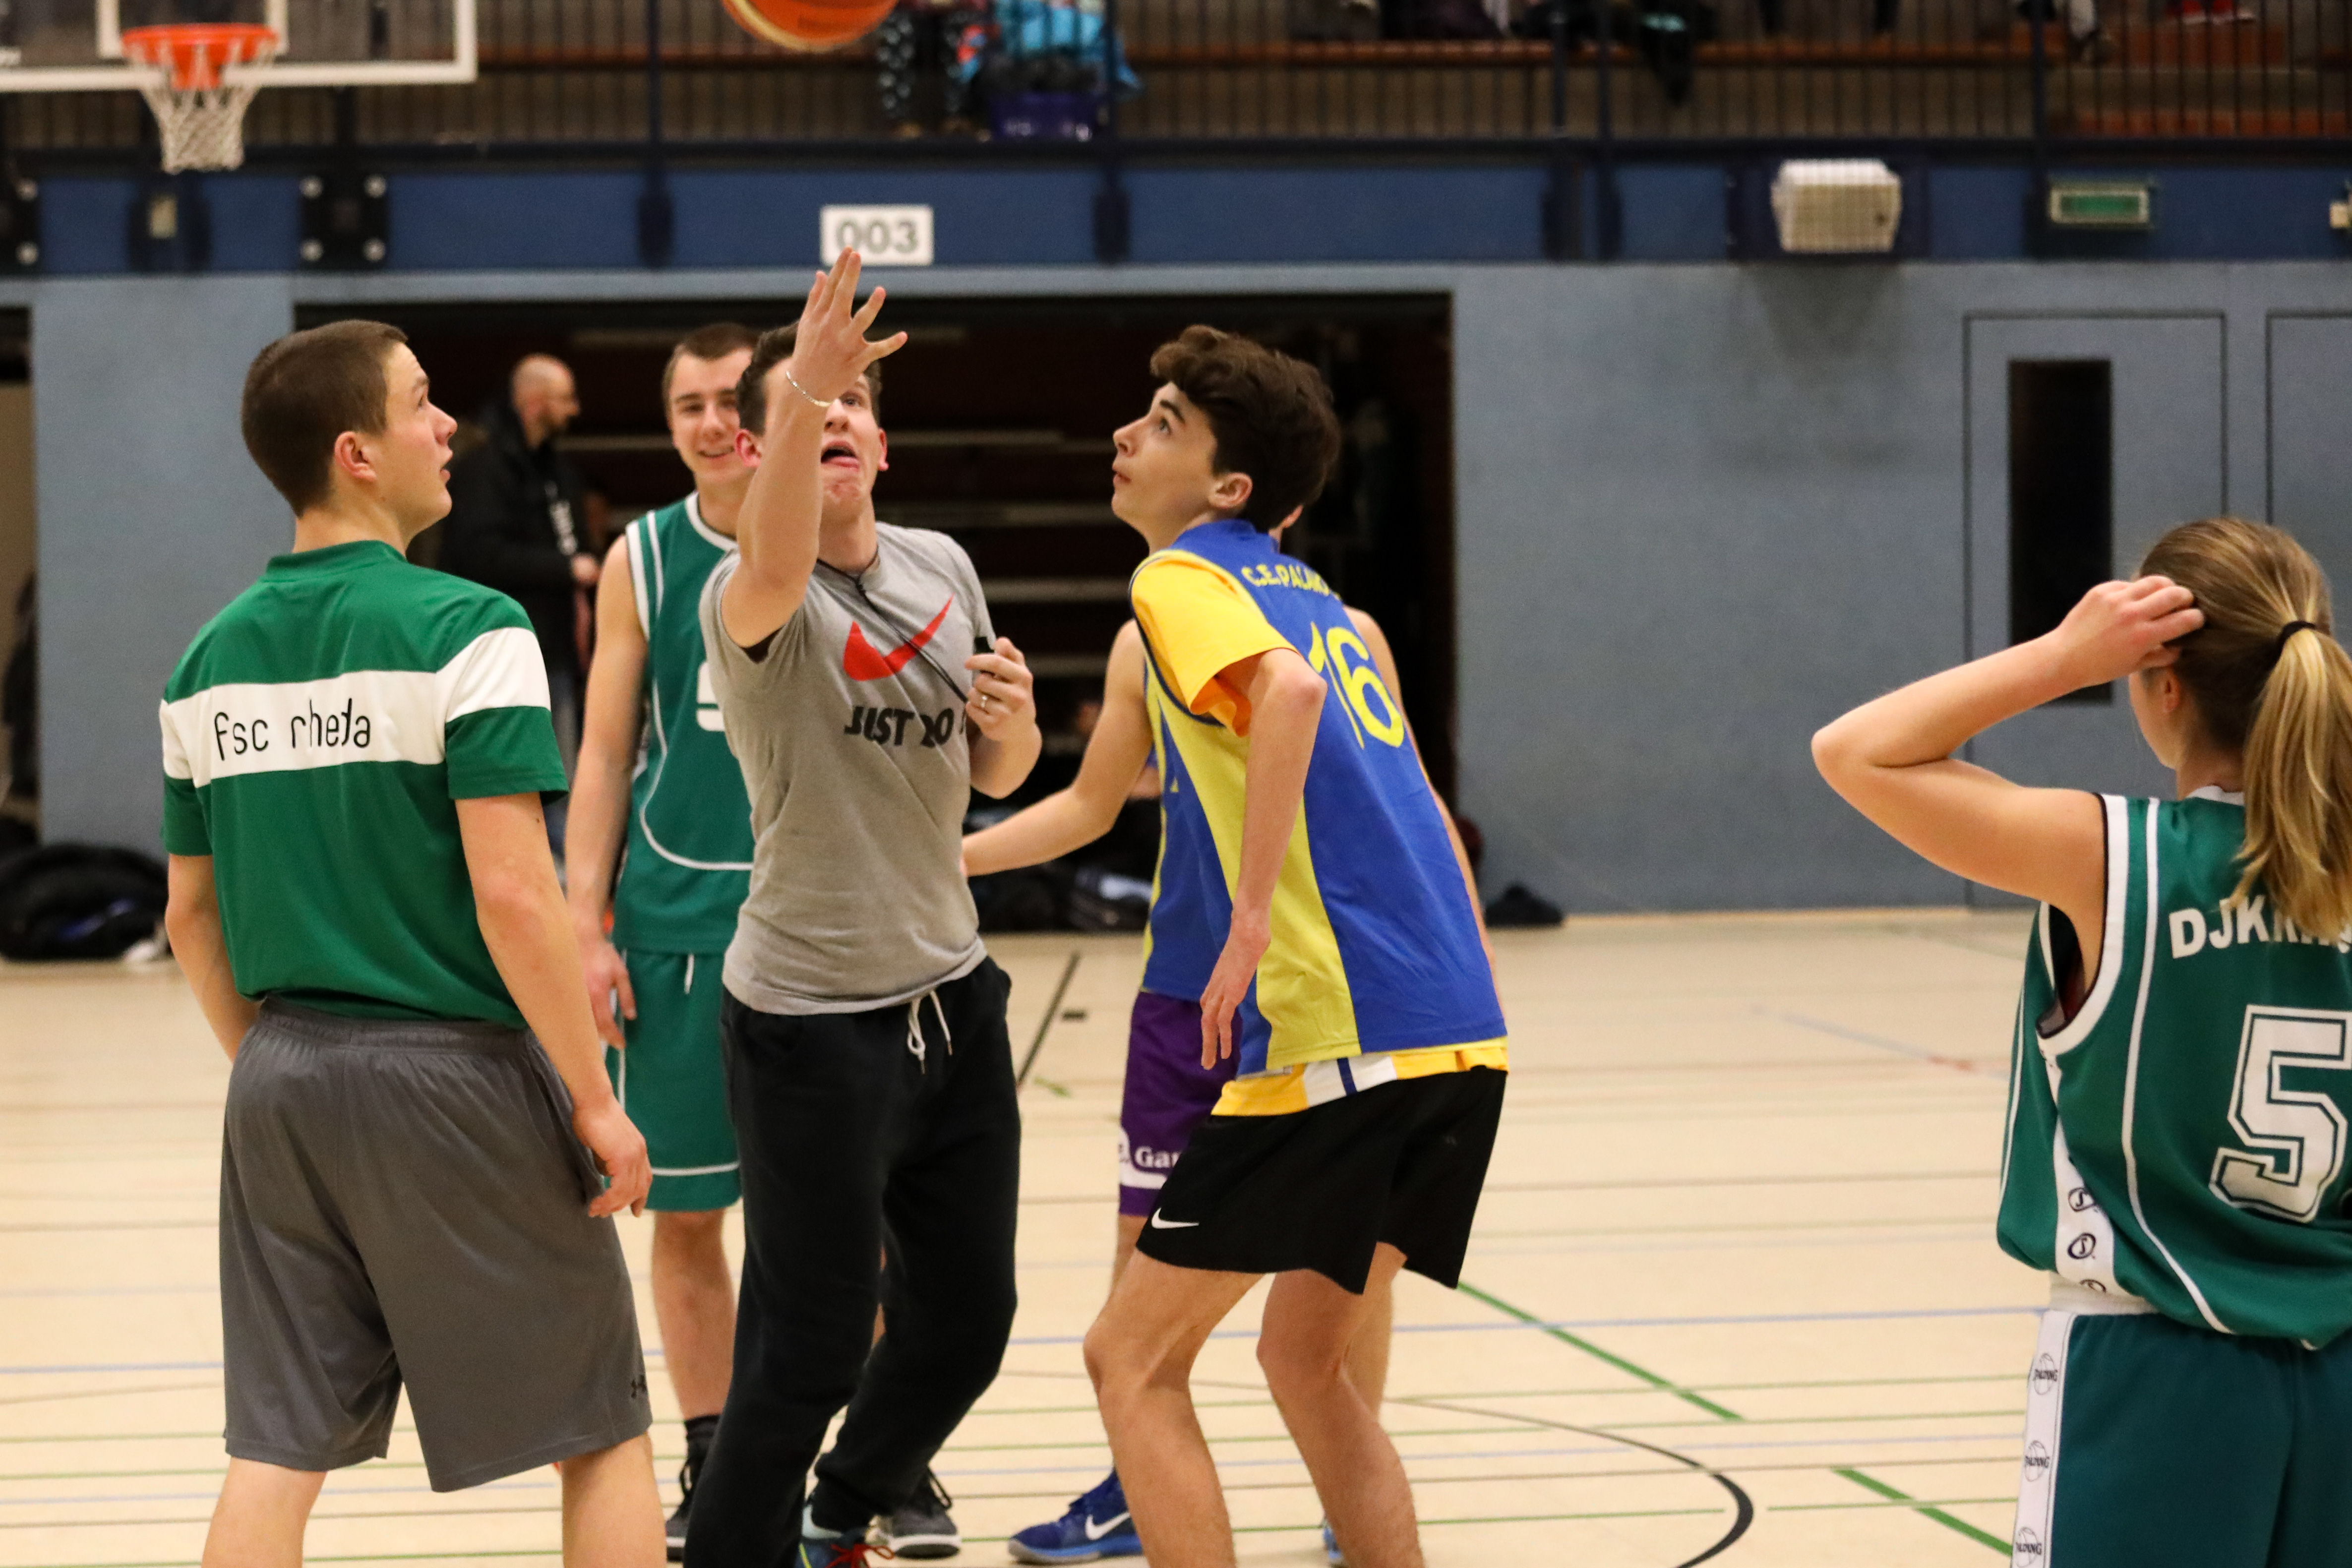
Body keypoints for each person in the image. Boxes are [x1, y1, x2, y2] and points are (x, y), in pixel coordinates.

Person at [158, 320, 663, 1568]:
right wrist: (595, 1099)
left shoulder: (204, 661)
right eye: (423, 404)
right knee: (601, 1431)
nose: (448, 428)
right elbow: (514, 892)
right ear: (356, 453)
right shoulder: (470, 626)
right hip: (454, 1076)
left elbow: (190, 915)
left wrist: (267, 1062)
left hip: (280, 1080)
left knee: (278, 1448)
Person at [1813, 517, 2352, 1568]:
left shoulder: (2110, 857)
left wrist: (2061, 658)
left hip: (2153, 1368)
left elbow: (1854, 750)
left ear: (2162, 685)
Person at [1078, 327, 1507, 1568]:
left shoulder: (1178, 579)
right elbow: (1422, 807)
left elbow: (1290, 699)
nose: (1126, 434)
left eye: (1163, 422)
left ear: (1227, 488)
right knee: (1306, 1362)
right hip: (1457, 1033)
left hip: (1337, 1031)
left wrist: (1250, 918)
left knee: (1128, 1357)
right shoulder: (1317, 600)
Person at [969, 587, 1483, 1565]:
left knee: (1343, 1262)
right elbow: (1089, 804)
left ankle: (1343, 1483)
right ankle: (1133, 1486)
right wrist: (949, 860)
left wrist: (1469, 946)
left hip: (1313, 986)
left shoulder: (1346, 632)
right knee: (1141, 1251)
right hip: (1185, 987)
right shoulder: (1148, 634)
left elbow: (1413, 801)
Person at [686, 251, 1039, 1568]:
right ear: (765, 448)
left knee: (967, 1322)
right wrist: (800, 391)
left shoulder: (942, 564)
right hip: (809, 1020)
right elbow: (777, 552)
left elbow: (991, 775)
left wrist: (1016, 726)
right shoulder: (748, 590)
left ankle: (848, 1503)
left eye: (851, 408)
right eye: (806, 409)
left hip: (950, 997)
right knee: (808, 1345)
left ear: (883, 446)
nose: (834, 418)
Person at [567, 322, 759, 1560]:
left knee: (853, 1222)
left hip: (824, 924)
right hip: (677, 923)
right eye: (688, 403)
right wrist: (583, 925)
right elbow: (601, 750)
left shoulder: (846, 533)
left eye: (731, 396)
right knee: (687, 1218)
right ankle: (716, 1454)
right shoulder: (643, 555)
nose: (711, 420)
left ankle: (876, 1456)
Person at [438, 354, 598, 787]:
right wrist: (567, 569)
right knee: (520, 775)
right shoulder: (483, 471)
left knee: (562, 771)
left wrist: (579, 592)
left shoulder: (558, 471)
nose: (574, 410)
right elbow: (479, 555)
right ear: (534, 402)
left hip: (557, 647)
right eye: (565, 399)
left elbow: (576, 548)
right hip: (501, 648)